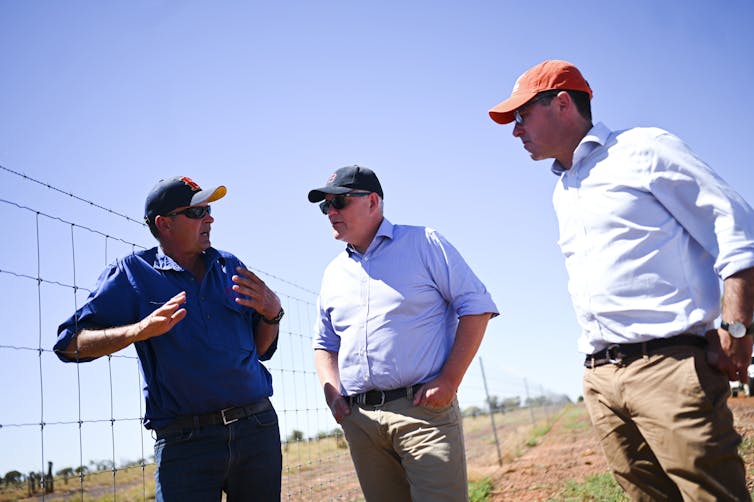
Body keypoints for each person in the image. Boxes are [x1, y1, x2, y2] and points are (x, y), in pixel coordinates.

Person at [488, 60, 754, 500]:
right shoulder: (564, 189)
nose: (515, 130)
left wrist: (737, 327)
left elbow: (736, 227)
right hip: (601, 378)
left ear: (561, 104)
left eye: (522, 115)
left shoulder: (644, 150)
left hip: (669, 370)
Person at [54, 176, 284, 502]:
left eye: (208, 210)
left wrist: (272, 313)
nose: (209, 218)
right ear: (164, 224)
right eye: (197, 211)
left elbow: (261, 348)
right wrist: (138, 330)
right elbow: (69, 343)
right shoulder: (132, 273)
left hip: (257, 429)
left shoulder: (229, 265)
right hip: (186, 443)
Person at [308, 165, 498, 501]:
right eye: (326, 206)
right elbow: (325, 345)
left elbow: (477, 307)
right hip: (361, 421)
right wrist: (333, 395)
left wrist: (450, 380)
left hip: (422, 413)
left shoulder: (423, 243)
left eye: (339, 202)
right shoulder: (333, 273)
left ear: (373, 202)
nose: (331, 213)